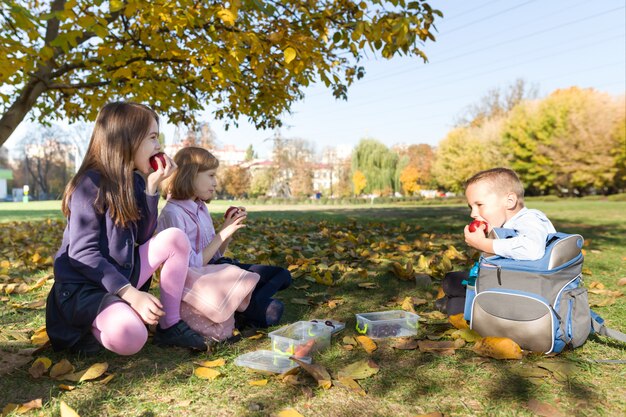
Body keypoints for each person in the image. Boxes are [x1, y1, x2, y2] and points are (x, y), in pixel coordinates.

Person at [46, 102, 207, 355]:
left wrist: (152, 187)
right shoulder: (89, 184)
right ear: (127, 138)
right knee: (132, 336)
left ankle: (170, 325)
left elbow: (142, 236)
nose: (159, 146)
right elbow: (83, 254)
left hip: (121, 275)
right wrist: (131, 294)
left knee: (175, 238)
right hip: (85, 287)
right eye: (153, 138)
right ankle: (90, 326)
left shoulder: (132, 181)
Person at [157, 147, 291, 331]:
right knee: (274, 310)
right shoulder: (173, 213)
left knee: (282, 275)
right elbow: (189, 267)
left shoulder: (201, 208)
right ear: (191, 175)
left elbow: (216, 253)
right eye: (211, 175)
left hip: (218, 270)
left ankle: (238, 307)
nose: (216, 182)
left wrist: (228, 228)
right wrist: (222, 234)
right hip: (199, 282)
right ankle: (241, 307)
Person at [437, 167, 557, 315]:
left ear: (510, 201)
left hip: (526, 291)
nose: (473, 213)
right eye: (471, 207)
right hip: (512, 282)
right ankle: (452, 301)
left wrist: (483, 244)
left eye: (479, 205)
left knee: (454, 297)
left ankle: (452, 303)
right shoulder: (507, 224)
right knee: (452, 280)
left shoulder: (530, 219)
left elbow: (531, 249)